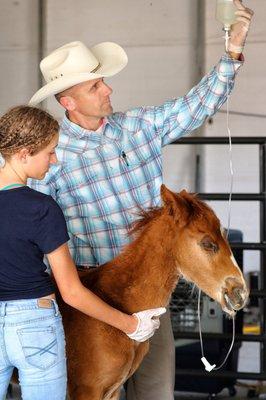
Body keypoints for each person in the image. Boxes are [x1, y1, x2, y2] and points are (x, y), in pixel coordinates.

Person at [28, 1, 254, 399]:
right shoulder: (51, 156)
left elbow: (195, 105)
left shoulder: (137, 127)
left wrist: (232, 50)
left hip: (149, 295)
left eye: (103, 81)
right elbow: (32, 229)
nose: (108, 89)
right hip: (90, 294)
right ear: (68, 101)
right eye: (95, 86)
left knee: (155, 392)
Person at [0, 105, 166, 400]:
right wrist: (132, 324)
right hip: (34, 324)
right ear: (24, 154)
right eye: (49, 152)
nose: (54, 160)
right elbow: (72, 292)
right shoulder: (41, 208)